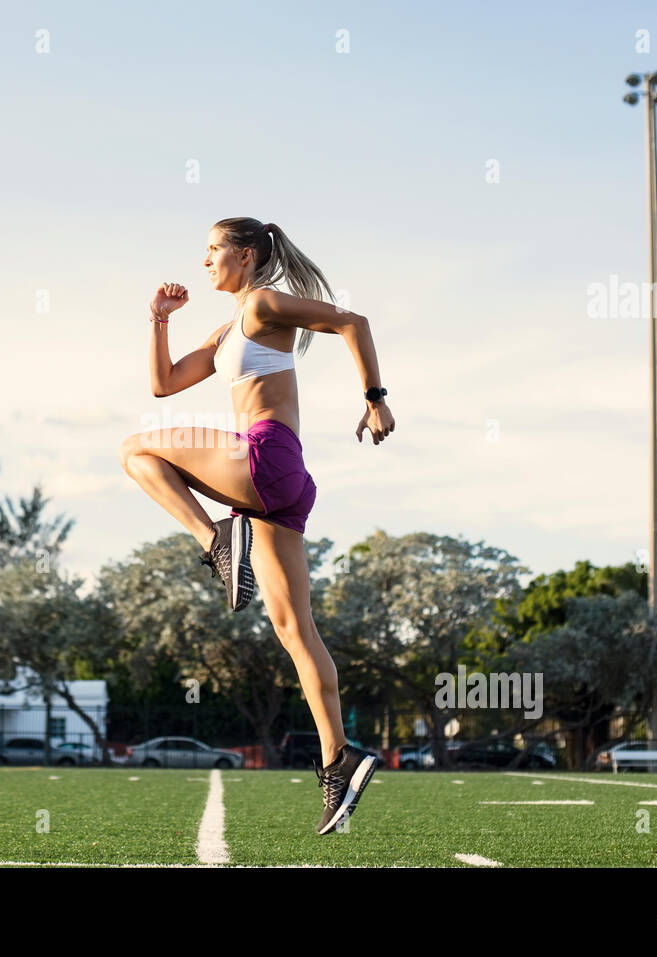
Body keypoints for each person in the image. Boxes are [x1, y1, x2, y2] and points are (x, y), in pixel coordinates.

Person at [117, 217, 395, 834]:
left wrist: (374, 396)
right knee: (296, 631)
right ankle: (338, 760)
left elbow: (354, 322)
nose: (205, 260)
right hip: (273, 490)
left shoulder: (265, 304)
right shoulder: (226, 331)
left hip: (264, 459)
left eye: (213, 250)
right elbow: (163, 385)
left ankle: (215, 542)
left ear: (245, 256)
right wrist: (158, 319)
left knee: (136, 450)